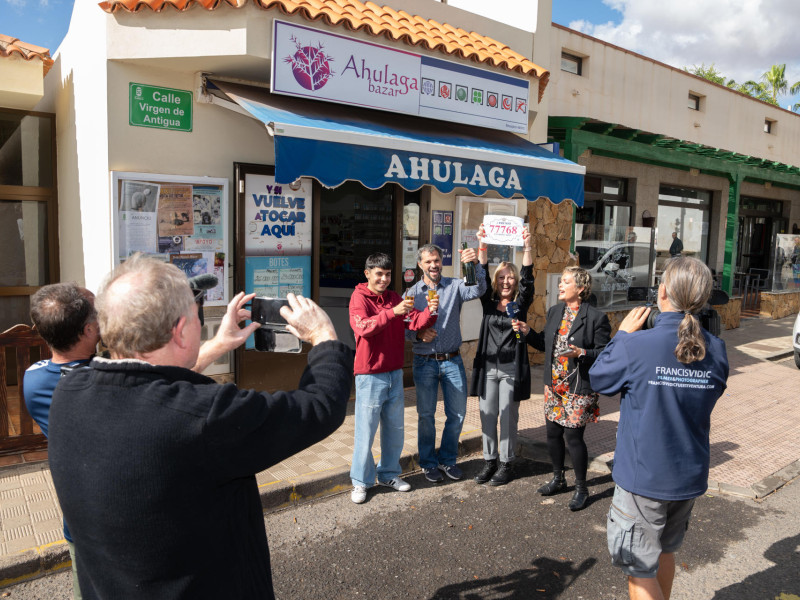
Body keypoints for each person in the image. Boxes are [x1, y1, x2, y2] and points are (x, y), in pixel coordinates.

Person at [48, 253, 353, 599]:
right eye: (196, 318)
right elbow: (319, 407)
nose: (200, 325)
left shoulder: (68, 394)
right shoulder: (206, 417)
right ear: (180, 332)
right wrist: (324, 336)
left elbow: (150, 387)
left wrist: (218, 346)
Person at [589, 257, 729, 600]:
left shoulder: (637, 346)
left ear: (662, 291)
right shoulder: (718, 350)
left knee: (639, 568)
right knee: (665, 551)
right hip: (687, 476)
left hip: (644, 478)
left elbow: (599, 378)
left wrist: (622, 335)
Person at [24, 283, 101, 600]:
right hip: (122, 517)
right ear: (87, 331)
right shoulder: (105, 380)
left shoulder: (33, 379)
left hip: (77, 515)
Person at [518, 266, 611, 510]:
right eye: (560, 281)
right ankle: (558, 478)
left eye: (566, 282)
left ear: (580, 288)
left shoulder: (596, 318)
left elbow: (605, 353)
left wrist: (581, 352)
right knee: (552, 434)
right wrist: (528, 333)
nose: (560, 285)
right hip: (554, 386)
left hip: (578, 387)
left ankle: (581, 487)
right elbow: (545, 345)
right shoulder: (554, 312)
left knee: (573, 438)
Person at [348, 253, 438, 503]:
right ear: (367, 274)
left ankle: (388, 474)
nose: (384, 279)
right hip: (369, 375)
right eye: (379, 274)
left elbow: (413, 321)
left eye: (387, 274)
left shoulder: (395, 298)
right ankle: (360, 482)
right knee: (365, 431)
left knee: (395, 430)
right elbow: (363, 327)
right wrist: (392, 312)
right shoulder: (359, 298)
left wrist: (431, 311)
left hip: (394, 373)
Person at [406, 242, 485, 483]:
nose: (433, 265)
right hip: (424, 361)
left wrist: (475, 264)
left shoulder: (455, 286)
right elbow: (403, 329)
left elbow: (478, 290)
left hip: (452, 361)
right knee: (426, 415)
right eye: (428, 261)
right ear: (420, 264)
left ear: (442, 262)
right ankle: (428, 463)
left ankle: (448, 460)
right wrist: (418, 334)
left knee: (458, 414)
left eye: (436, 261)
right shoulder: (411, 294)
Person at [469, 226, 533, 486]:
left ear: (515, 282)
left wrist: (527, 246)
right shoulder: (487, 301)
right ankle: (489, 461)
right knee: (486, 414)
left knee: (508, 417)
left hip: (510, 368)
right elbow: (480, 274)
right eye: (502, 278)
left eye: (511, 278)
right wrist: (482, 243)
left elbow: (529, 278)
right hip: (487, 369)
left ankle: (506, 464)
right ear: (496, 281)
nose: (506, 282)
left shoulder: (521, 303)